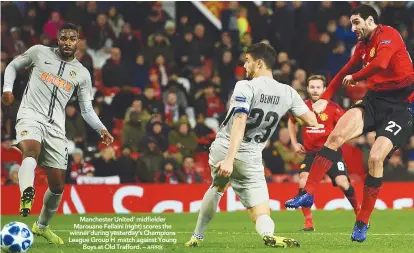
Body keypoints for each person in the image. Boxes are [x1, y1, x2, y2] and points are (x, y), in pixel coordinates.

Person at [285, 4, 414, 243]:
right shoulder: (362, 47)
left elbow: (381, 64)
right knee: (334, 136)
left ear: (370, 20)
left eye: (356, 22)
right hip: (374, 101)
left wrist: (354, 77)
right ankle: (308, 193)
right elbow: (344, 69)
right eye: (351, 23)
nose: (352, 27)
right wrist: (324, 99)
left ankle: (362, 221)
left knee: (375, 158)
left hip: (400, 108)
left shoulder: (389, 36)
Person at [185, 43, 321, 248]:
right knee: (261, 211)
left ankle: (197, 236)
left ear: (259, 63)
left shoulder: (245, 86)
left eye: (247, 61)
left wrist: (229, 160)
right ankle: (268, 234)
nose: (245, 66)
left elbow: (240, 119)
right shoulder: (288, 92)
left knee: (217, 187)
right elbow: (311, 120)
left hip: (225, 147)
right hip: (251, 156)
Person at [1, 23, 114, 244]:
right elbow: (13, 66)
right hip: (30, 114)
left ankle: (41, 226)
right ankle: (26, 194)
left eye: (72, 39)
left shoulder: (82, 74)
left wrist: (102, 129)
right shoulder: (38, 52)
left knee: (57, 186)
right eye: (63, 38)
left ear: (78, 41)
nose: (67, 42)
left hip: (56, 127)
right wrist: (7, 90)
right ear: (57, 39)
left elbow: (87, 109)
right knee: (30, 150)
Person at [287, 75, 360, 231]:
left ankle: (359, 213)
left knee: (343, 183)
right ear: (307, 88)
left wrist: (345, 138)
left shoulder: (334, 108)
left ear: (324, 89)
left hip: (331, 153)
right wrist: (294, 142)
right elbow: (291, 121)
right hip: (312, 153)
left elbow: (346, 125)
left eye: (318, 87)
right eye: (312, 87)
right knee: (303, 181)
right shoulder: (302, 107)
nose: (315, 90)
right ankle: (308, 223)